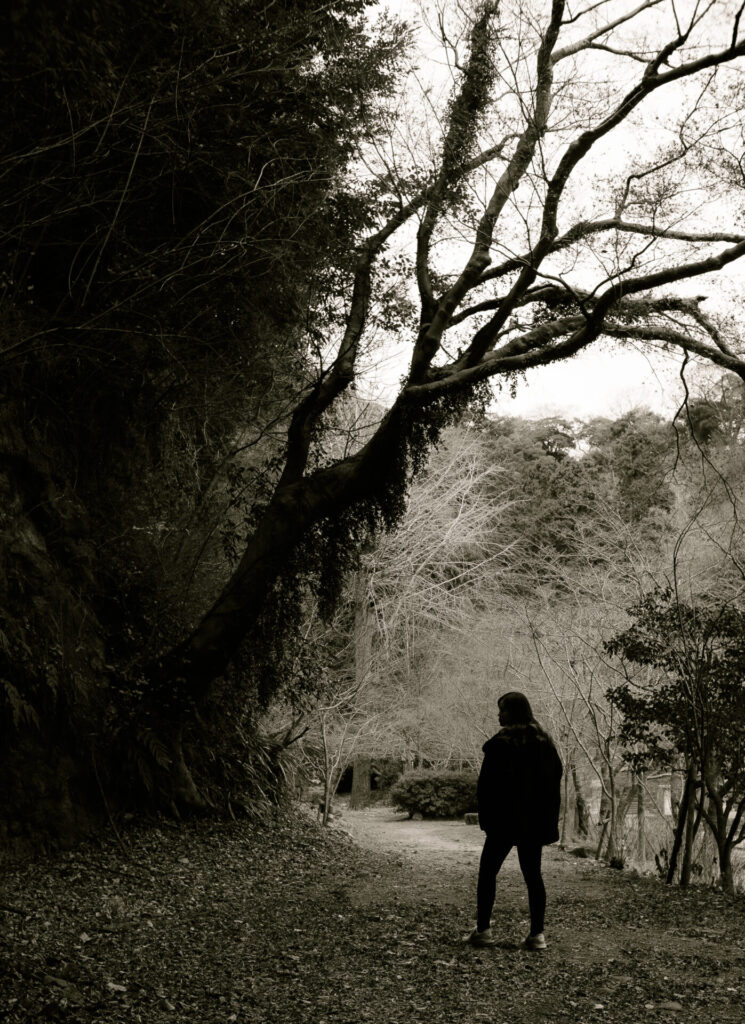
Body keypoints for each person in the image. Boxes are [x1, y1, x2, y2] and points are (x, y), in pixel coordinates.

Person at [464, 691, 563, 951]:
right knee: (533, 877)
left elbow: (486, 787)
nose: (499, 715)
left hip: (504, 822)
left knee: (488, 872)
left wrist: (487, 819)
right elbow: (553, 783)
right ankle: (537, 935)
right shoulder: (544, 743)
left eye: (503, 710)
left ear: (515, 712)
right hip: (533, 823)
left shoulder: (500, 744)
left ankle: (484, 930)